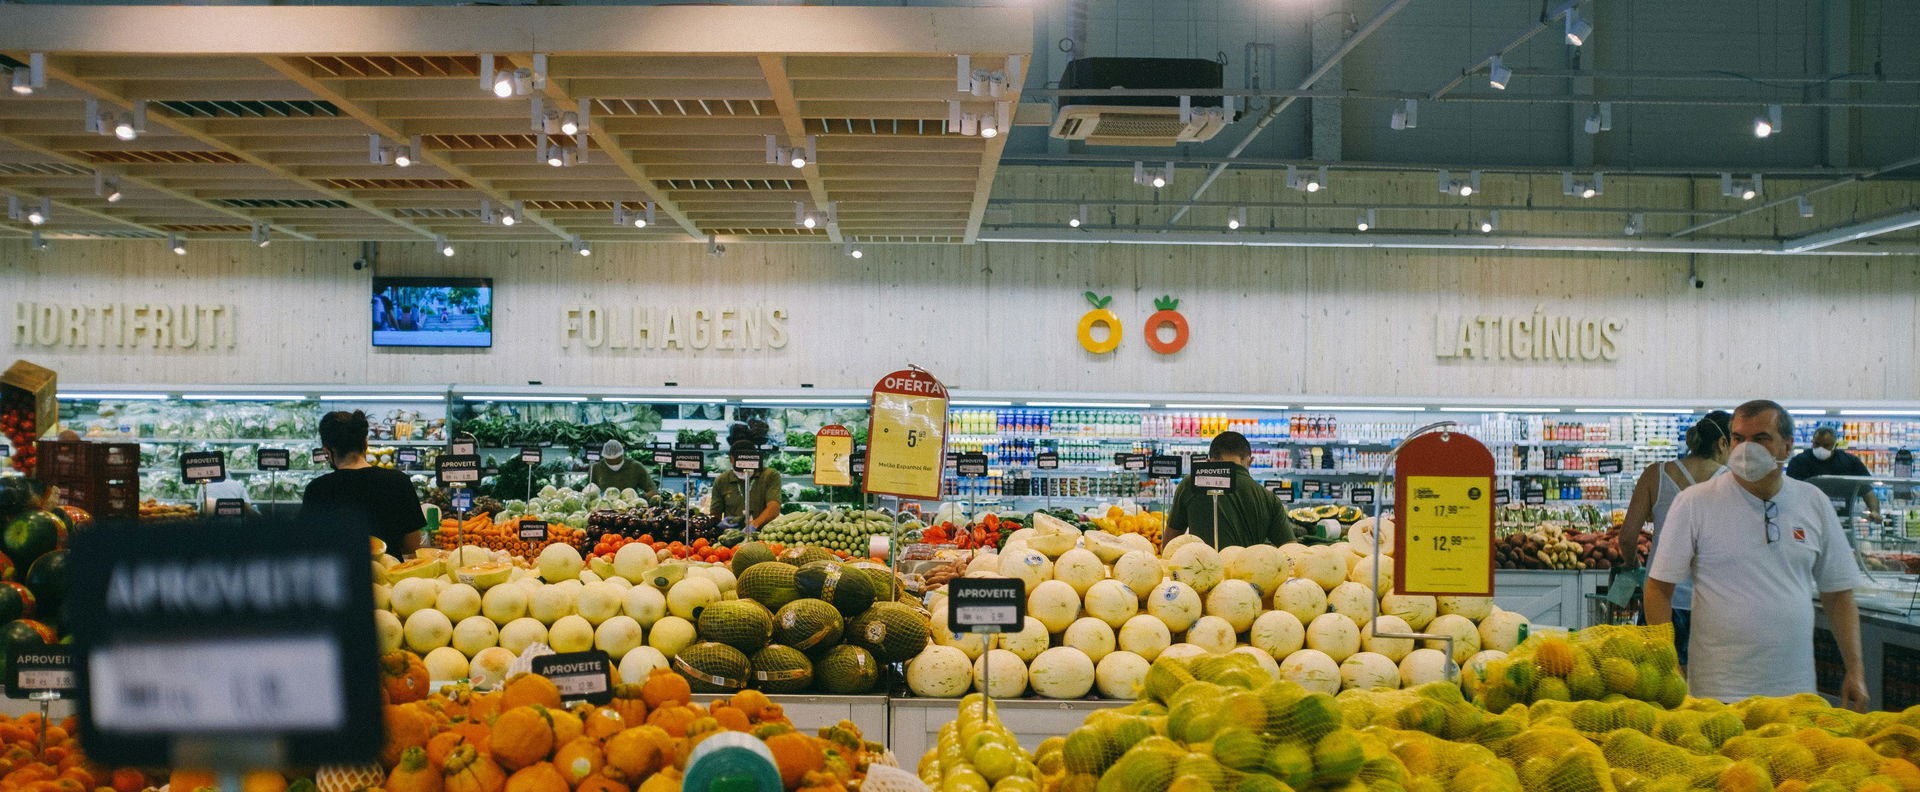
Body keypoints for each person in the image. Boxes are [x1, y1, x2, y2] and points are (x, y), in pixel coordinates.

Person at [1647, 399, 1868, 708]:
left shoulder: (1813, 502)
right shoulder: (1695, 503)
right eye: (1738, 438)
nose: (1746, 449)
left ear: (1787, 446)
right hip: (1717, 694)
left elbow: (1838, 594)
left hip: (1796, 692)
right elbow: (1658, 588)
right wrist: (1669, 664)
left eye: (1761, 439)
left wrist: (1855, 669)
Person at [1610, 410, 1730, 667]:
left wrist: (1632, 565)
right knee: (1705, 693)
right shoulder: (1731, 482)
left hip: (1659, 598)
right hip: (1711, 604)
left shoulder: (1656, 474)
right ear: (1722, 443)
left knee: (1657, 684)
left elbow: (1628, 536)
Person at [300, 410, 426, 554]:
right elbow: (413, 546)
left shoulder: (317, 489)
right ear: (366, 444)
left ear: (327, 452)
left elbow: (308, 546)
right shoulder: (398, 481)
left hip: (340, 575)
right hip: (389, 573)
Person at [1163, 431, 1293, 548]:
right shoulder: (1268, 498)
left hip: (1202, 570)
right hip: (1248, 572)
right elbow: (1291, 548)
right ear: (1250, 461)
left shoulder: (1191, 483)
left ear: (1208, 461)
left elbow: (1170, 542)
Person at [1786, 427, 1882, 518]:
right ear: (1812, 443)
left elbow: (1868, 491)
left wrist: (1874, 511)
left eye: (1826, 445)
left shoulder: (1850, 461)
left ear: (1835, 446)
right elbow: (1789, 491)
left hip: (1842, 518)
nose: (1821, 448)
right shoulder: (1798, 462)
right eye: (1817, 444)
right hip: (1807, 517)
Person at [710, 441, 782, 530]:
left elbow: (774, 507)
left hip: (763, 534)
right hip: (731, 535)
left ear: (755, 458)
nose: (744, 468)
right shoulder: (721, 480)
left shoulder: (769, 475)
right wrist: (719, 524)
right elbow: (714, 514)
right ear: (731, 459)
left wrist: (755, 524)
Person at [589, 439, 656, 495]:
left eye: (617, 460)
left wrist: (639, 500)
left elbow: (652, 490)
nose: (614, 464)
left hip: (630, 507)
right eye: (610, 461)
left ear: (622, 455)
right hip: (603, 506)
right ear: (604, 457)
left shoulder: (636, 467)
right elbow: (589, 491)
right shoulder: (596, 468)